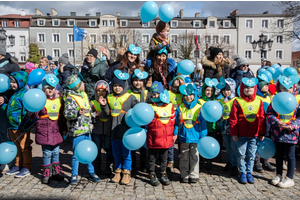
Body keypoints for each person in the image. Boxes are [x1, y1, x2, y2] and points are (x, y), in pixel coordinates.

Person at [99, 74, 139, 185]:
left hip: (126, 131)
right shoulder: (109, 97)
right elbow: (107, 114)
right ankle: (118, 171)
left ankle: (126, 173)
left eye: (119, 86)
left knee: (126, 153)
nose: (117, 88)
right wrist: (103, 105)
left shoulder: (130, 97)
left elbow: (137, 113)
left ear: (124, 85)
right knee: (116, 153)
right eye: (115, 85)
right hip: (113, 131)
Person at [64, 75, 101, 185]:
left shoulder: (84, 95)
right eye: (82, 83)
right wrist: (76, 113)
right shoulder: (70, 98)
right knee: (76, 154)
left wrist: (94, 115)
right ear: (77, 86)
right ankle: (74, 174)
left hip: (87, 130)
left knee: (89, 152)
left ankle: (92, 172)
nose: (84, 84)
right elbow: (67, 113)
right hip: (77, 131)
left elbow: (87, 112)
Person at [230, 77, 266, 184]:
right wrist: (234, 133)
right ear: (241, 88)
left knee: (251, 154)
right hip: (241, 134)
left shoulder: (259, 101)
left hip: (254, 134)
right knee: (241, 154)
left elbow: (262, 119)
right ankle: (242, 172)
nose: (248, 89)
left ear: (255, 88)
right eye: (246, 87)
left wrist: (262, 132)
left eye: (251, 87)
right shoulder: (237, 101)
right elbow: (233, 119)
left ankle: (249, 172)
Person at [267, 75, 300, 188]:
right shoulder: (275, 99)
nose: (287, 90)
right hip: (278, 132)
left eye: (289, 88)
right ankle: (278, 174)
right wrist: (276, 122)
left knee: (290, 156)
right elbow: (269, 114)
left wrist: (294, 126)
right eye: (284, 88)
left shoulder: (298, 100)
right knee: (279, 155)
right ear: (279, 88)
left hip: (292, 133)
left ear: (294, 87)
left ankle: (290, 178)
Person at [33, 74, 67, 184]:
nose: (50, 90)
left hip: (56, 131)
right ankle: (47, 171)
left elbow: (61, 116)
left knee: (56, 151)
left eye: (52, 88)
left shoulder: (58, 100)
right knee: (47, 152)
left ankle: (56, 170)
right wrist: (31, 111)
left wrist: (63, 129)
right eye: (48, 88)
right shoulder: (40, 101)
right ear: (43, 89)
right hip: (44, 131)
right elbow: (34, 115)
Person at [0, 71, 34, 177]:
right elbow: (10, 109)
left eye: (13, 82)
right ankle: (17, 165)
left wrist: (24, 126)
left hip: (20, 126)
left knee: (25, 147)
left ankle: (26, 167)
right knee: (16, 147)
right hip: (12, 126)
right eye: (10, 82)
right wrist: (3, 104)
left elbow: (26, 112)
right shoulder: (14, 94)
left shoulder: (24, 95)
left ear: (21, 82)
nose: (11, 84)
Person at [175, 83, 207, 183]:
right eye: (186, 95)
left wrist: (203, 136)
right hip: (184, 136)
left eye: (191, 94)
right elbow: (176, 123)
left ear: (194, 94)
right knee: (184, 156)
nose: (188, 97)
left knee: (195, 156)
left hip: (196, 137)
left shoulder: (199, 107)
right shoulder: (180, 108)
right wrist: (175, 133)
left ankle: (194, 174)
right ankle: (184, 174)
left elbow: (203, 123)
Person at [146, 81, 176, 186]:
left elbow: (173, 121)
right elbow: (147, 123)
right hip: (153, 138)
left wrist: (174, 133)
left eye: (157, 94)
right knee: (152, 158)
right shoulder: (149, 107)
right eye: (153, 94)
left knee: (164, 158)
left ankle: (163, 173)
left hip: (166, 138)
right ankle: (152, 173)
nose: (155, 96)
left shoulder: (169, 106)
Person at [0, 37, 21, 173]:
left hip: (3, 105)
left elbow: (17, 87)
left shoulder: (11, 65)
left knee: (3, 132)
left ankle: (6, 160)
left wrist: (4, 98)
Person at [216, 77, 239, 176]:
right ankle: (229, 162)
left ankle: (235, 164)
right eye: (224, 90)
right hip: (223, 125)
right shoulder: (220, 100)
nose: (226, 92)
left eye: (228, 90)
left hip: (232, 125)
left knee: (234, 146)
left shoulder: (235, 100)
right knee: (227, 146)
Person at [90, 80, 113, 175]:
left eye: (103, 90)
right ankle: (97, 167)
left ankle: (108, 167)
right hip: (97, 130)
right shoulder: (92, 103)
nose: (101, 93)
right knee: (97, 149)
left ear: (107, 91)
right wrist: (95, 114)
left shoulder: (110, 101)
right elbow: (88, 115)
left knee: (108, 148)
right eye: (99, 90)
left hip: (107, 129)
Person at [128, 69, 148, 172]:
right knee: (132, 144)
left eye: (140, 80)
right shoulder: (128, 93)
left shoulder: (146, 93)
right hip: (131, 122)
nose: (138, 82)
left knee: (144, 145)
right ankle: (133, 165)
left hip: (144, 123)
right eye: (136, 80)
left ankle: (144, 165)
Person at [254, 74, 276, 172]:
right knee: (258, 142)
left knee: (266, 142)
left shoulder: (268, 97)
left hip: (268, 123)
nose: (267, 86)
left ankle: (266, 161)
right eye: (264, 85)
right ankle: (257, 162)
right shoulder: (256, 98)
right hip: (259, 123)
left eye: (267, 85)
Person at [198, 78, 219, 169]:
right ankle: (200, 160)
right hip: (202, 128)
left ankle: (209, 160)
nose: (209, 92)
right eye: (207, 90)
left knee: (211, 144)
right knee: (202, 143)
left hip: (212, 127)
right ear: (203, 90)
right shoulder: (199, 101)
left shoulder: (216, 102)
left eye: (211, 90)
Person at [167, 76, 185, 170]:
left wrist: (183, 86)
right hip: (170, 120)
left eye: (181, 80)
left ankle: (181, 159)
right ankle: (170, 160)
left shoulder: (184, 94)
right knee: (171, 140)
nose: (178, 81)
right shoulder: (168, 93)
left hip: (181, 121)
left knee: (182, 141)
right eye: (176, 80)